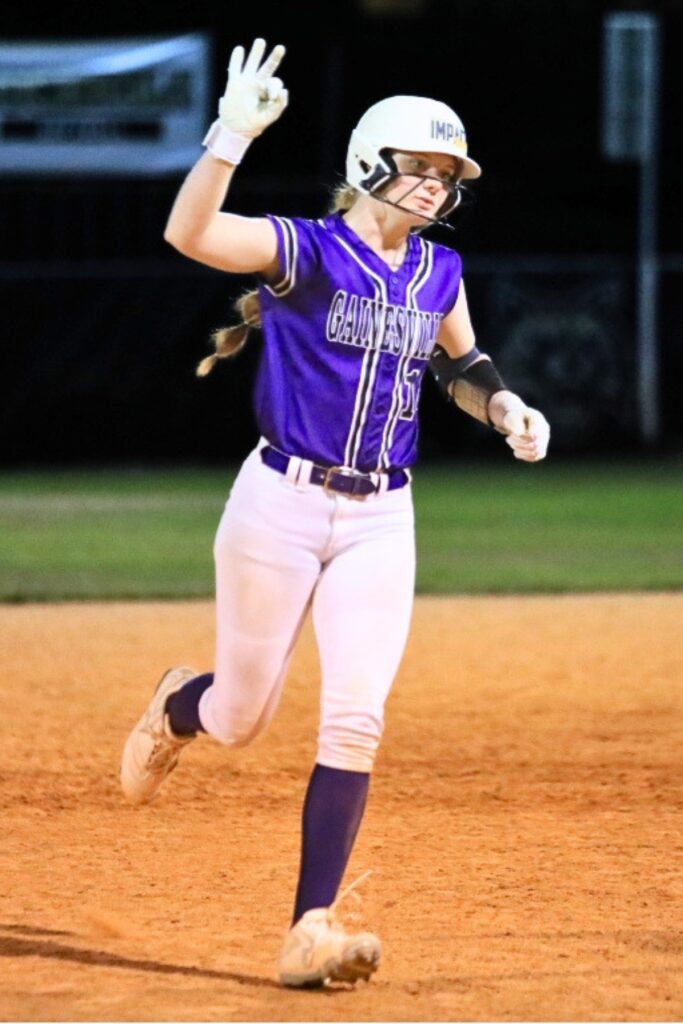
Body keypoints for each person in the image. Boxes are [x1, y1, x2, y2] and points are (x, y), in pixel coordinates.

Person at [120, 38, 550, 989]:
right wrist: (228, 138)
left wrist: (504, 404)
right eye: (421, 167)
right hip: (278, 502)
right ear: (369, 165)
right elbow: (190, 235)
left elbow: (462, 365)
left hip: (379, 520)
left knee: (355, 721)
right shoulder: (306, 249)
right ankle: (175, 709)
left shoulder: (440, 270)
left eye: (450, 173)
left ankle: (307, 927)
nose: (437, 185)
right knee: (238, 717)